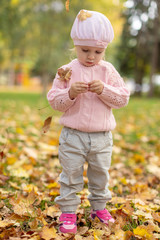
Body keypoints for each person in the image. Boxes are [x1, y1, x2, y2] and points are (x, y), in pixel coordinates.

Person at [47, 9, 130, 234]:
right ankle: (68, 212)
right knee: (71, 175)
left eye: (98, 51)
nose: (91, 56)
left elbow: (122, 98)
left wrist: (105, 90)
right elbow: (55, 101)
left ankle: (99, 208)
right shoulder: (66, 71)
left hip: (102, 138)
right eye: (85, 50)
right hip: (73, 136)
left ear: (104, 50)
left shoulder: (107, 71)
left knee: (100, 175)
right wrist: (70, 94)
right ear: (75, 46)